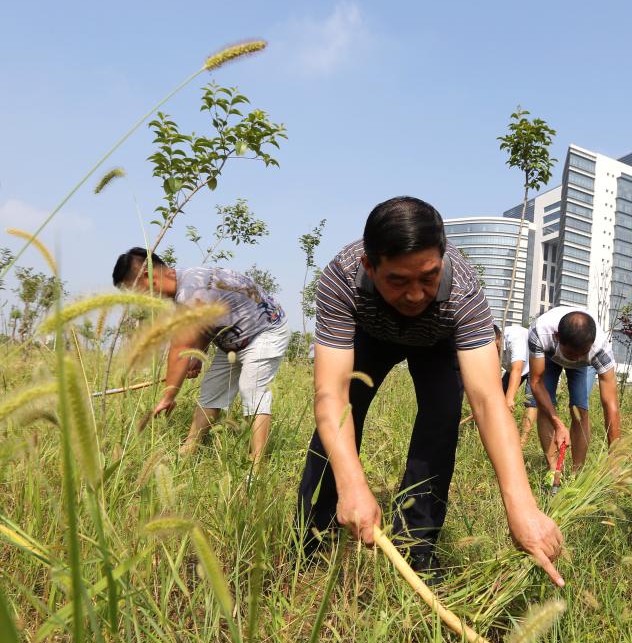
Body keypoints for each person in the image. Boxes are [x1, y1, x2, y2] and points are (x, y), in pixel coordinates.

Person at [296, 196, 564, 584]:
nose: (415, 295)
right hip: (370, 334)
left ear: (441, 260)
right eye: (398, 281)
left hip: (438, 341)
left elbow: (488, 401)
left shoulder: (464, 292)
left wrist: (522, 506)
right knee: (339, 422)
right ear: (370, 267)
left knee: (441, 425)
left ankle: (417, 547)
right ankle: (311, 537)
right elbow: (330, 395)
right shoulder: (342, 277)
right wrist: (352, 485)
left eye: (428, 277)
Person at [112, 248, 290, 462]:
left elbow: (180, 347)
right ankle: (190, 449)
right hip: (234, 340)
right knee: (210, 391)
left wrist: (168, 398)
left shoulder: (191, 290)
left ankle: (257, 463)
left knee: (251, 389)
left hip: (265, 331)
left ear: (148, 276)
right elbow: (205, 324)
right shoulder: (185, 285)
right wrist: (197, 355)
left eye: (136, 291)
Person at [527, 306, 621, 473]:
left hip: (585, 363)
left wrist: (615, 456)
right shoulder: (540, 333)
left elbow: (610, 404)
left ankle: (576, 472)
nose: (576, 359)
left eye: (581, 354)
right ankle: (553, 471)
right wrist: (558, 424)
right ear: (557, 337)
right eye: (571, 354)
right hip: (550, 356)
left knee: (580, 409)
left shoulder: (600, 349)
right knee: (545, 406)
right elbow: (536, 383)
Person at [494, 323, 537, 442]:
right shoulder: (487, 347)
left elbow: (517, 369)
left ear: (499, 338)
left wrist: (509, 398)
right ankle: (499, 434)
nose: (494, 351)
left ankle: (523, 441)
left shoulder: (514, 338)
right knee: (498, 399)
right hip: (512, 367)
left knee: (530, 402)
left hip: (533, 362)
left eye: (496, 346)